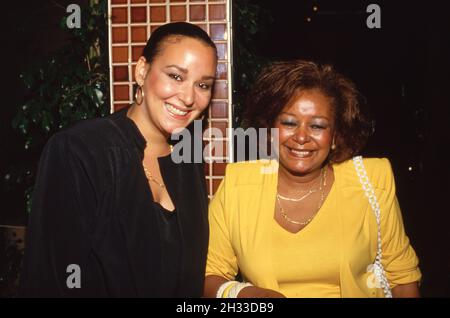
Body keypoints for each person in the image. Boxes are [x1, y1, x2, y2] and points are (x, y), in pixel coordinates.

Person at [19, 22, 217, 297]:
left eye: (203, 85)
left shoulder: (188, 157)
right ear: (142, 70)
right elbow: (50, 280)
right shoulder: (80, 151)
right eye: (175, 76)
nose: (187, 97)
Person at [204, 60, 421, 298]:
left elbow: (403, 278)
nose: (301, 137)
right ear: (270, 129)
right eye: (289, 122)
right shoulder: (239, 185)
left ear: (336, 135)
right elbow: (209, 274)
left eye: (317, 126)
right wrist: (244, 294)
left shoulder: (371, 180)